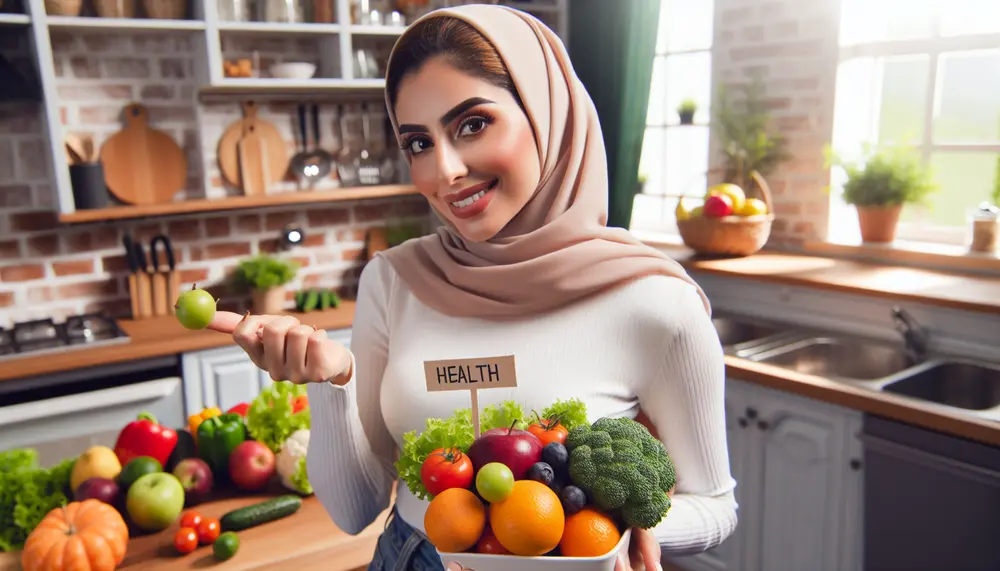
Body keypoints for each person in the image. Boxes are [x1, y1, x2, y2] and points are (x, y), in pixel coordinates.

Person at [208, 4, 737, 571]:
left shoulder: (653, 300)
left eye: (472, 124)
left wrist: (623, 533)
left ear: (545, 114)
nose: (445, 170)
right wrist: (330, 382)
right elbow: (355, 511)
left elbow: (714, 505)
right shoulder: (394, 281)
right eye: (418, 143)